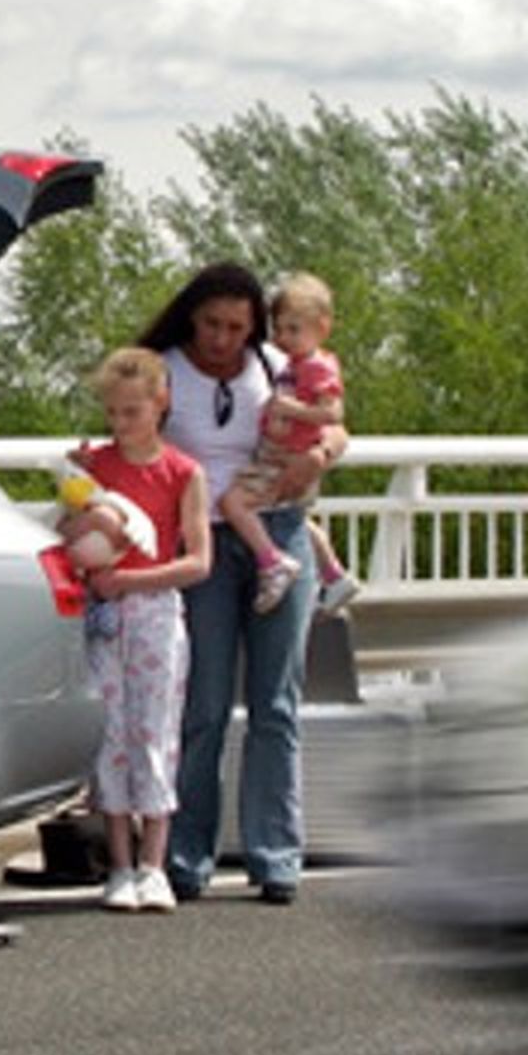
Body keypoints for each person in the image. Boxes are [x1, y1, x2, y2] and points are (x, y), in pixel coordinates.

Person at [139, 262, 348, 905]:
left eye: (236, 326)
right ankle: (186, 854)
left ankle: (275, 853)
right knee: (201, 707)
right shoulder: (165, 369)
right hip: (202, 540)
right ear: (191, 319)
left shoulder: (278, 366)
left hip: (277, 529)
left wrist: (321, 453)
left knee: (275, 704)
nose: (223, 339)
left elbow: (335, 424)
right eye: (211, 325)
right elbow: (130, 443)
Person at [68, 347, 210, 913]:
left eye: (132, 411)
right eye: (114, 413)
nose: (121, 424)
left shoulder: (182, 472)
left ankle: (154, 862)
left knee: (154, 731)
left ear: (160, 404)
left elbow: (199, 561)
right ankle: (120, 864)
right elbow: (68, 531)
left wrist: (129, 579)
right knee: (110, 731)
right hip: (106, 615)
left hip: (152, 610)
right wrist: (79, 492)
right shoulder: (96, 466)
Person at [213, 272, 359, 616]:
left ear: (321, 328)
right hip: (278, 454)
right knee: (296, 515)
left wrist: (293, 414)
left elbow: (333, 413)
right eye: (279, 329)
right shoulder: (291, 364)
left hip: (284, 459)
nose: (284, 338)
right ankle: (334, 574)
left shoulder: (315, 367)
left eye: (294, 329)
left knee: (235, 503)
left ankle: (273, 561)